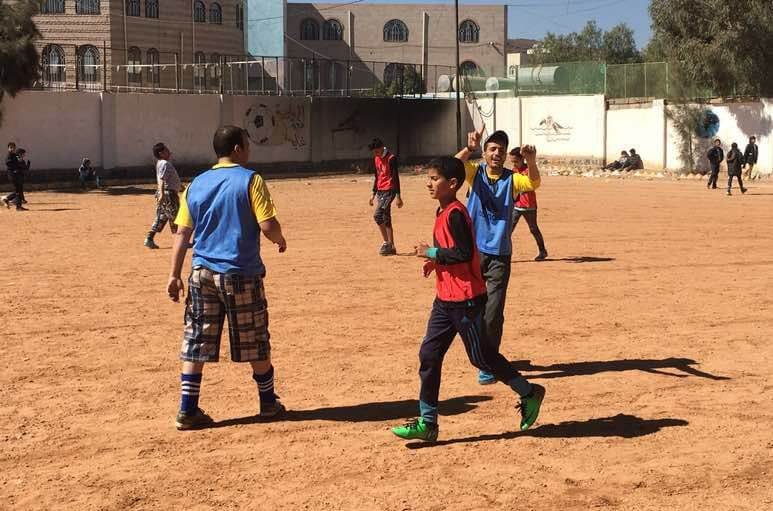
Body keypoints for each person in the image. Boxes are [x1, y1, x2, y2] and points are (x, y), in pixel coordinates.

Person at [390, 156, 545, 442]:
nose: (428, 183)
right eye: (428, 178)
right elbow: (452, 251)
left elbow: (463, 252)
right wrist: (435, 262)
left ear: (452, 184)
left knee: (481, 358)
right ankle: (428, 422)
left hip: (466, 300)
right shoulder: (442, 210)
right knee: (429, 355)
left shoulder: (456, 213)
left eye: (434, 179)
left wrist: (432, 253)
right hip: (444, 300)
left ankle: (529, 392)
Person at [167, 125, 287, 430]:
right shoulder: (251, 180)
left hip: (201, 274)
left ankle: (187, 409)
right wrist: (280, 239)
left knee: (197, 339)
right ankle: (268, 403)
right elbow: (267, 225)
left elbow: (182, 233)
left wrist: (174, 274)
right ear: (237, 148)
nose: (249, 149)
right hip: (240, 273)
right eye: (247, 144)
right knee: (254, 338)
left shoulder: (196, 184)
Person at [455, 127, 541, 385]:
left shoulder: (513, 179)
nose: (496, 154)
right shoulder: (475, 173)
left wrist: (531, 161)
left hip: (499, 255)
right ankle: (482, 352)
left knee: (493, 312)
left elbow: (533, 183)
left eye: (501, 150)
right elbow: (453, 165)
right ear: (484, 153)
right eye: (492, 149)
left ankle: (488, 361)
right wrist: (469, 148)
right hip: (473, 252)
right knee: (472, 309)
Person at [509, 147, 547, 261]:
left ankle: (542, 251)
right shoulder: (514, 171)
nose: (514, 164)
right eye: (512, 162)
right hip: (516, 205)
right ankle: (505, 253)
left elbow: (532, 184)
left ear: (522, 159)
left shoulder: (529, 170)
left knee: (533, 229)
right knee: (508, 230)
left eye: (516, 161)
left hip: (529, 206)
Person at [367, 138, 403, 256]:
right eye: (374, 152)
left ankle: (386, 242)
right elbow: (377, 176)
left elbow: (395, 177)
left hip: (389, 190)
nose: (376, 154)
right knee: (386, 217)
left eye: (377, 151)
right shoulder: (376, 158)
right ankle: (391, 247)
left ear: (382, 147)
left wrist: (398, 196)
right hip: (380, 191)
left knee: (377, 215)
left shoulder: (391, 158)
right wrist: (373, 193)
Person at [145, 142, 182, 249]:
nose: (169, 152)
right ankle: (179, 241)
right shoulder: (164, 163)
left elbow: (170, 179)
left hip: (167, 193)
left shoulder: (161, 163)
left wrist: (182, 188)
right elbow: (162, 179)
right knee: (176, 216)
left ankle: (149, 238)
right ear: (161, 153)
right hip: (168, 194)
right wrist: (161, 194)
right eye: (166, 150)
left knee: (162, 217)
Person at [3, 143, 28, 211]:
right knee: (18, 191)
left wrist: (21, 163)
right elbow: (8, 163)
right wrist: (15, 167)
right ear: (8, 148)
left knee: (18, 191)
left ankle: (16, 205)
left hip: (17, 175)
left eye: (13, 147)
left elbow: (20, 162)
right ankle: (16, 205)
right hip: (12, 175)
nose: (12, 149)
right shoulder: (9, 156)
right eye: (10, 147)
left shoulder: (15, 155)